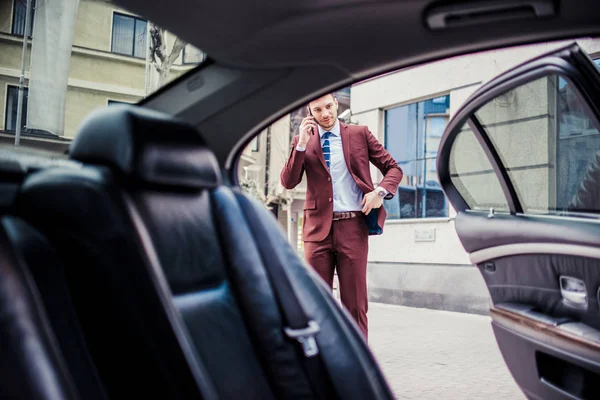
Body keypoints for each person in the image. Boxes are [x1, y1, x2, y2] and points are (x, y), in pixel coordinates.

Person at [280, 92, 403, 339]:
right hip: (317, 232)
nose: (325, 114)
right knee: (316, 303)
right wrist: (301, 144)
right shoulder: (302, 141)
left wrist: (379, 192)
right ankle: (324, 362)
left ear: (336, 104)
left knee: (355, 304)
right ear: (310, 113)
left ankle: (359, 366)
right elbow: (288, 181)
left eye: (328, 107)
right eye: (318, 110)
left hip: (353, 228)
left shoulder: (359, 134)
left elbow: (394, 169)